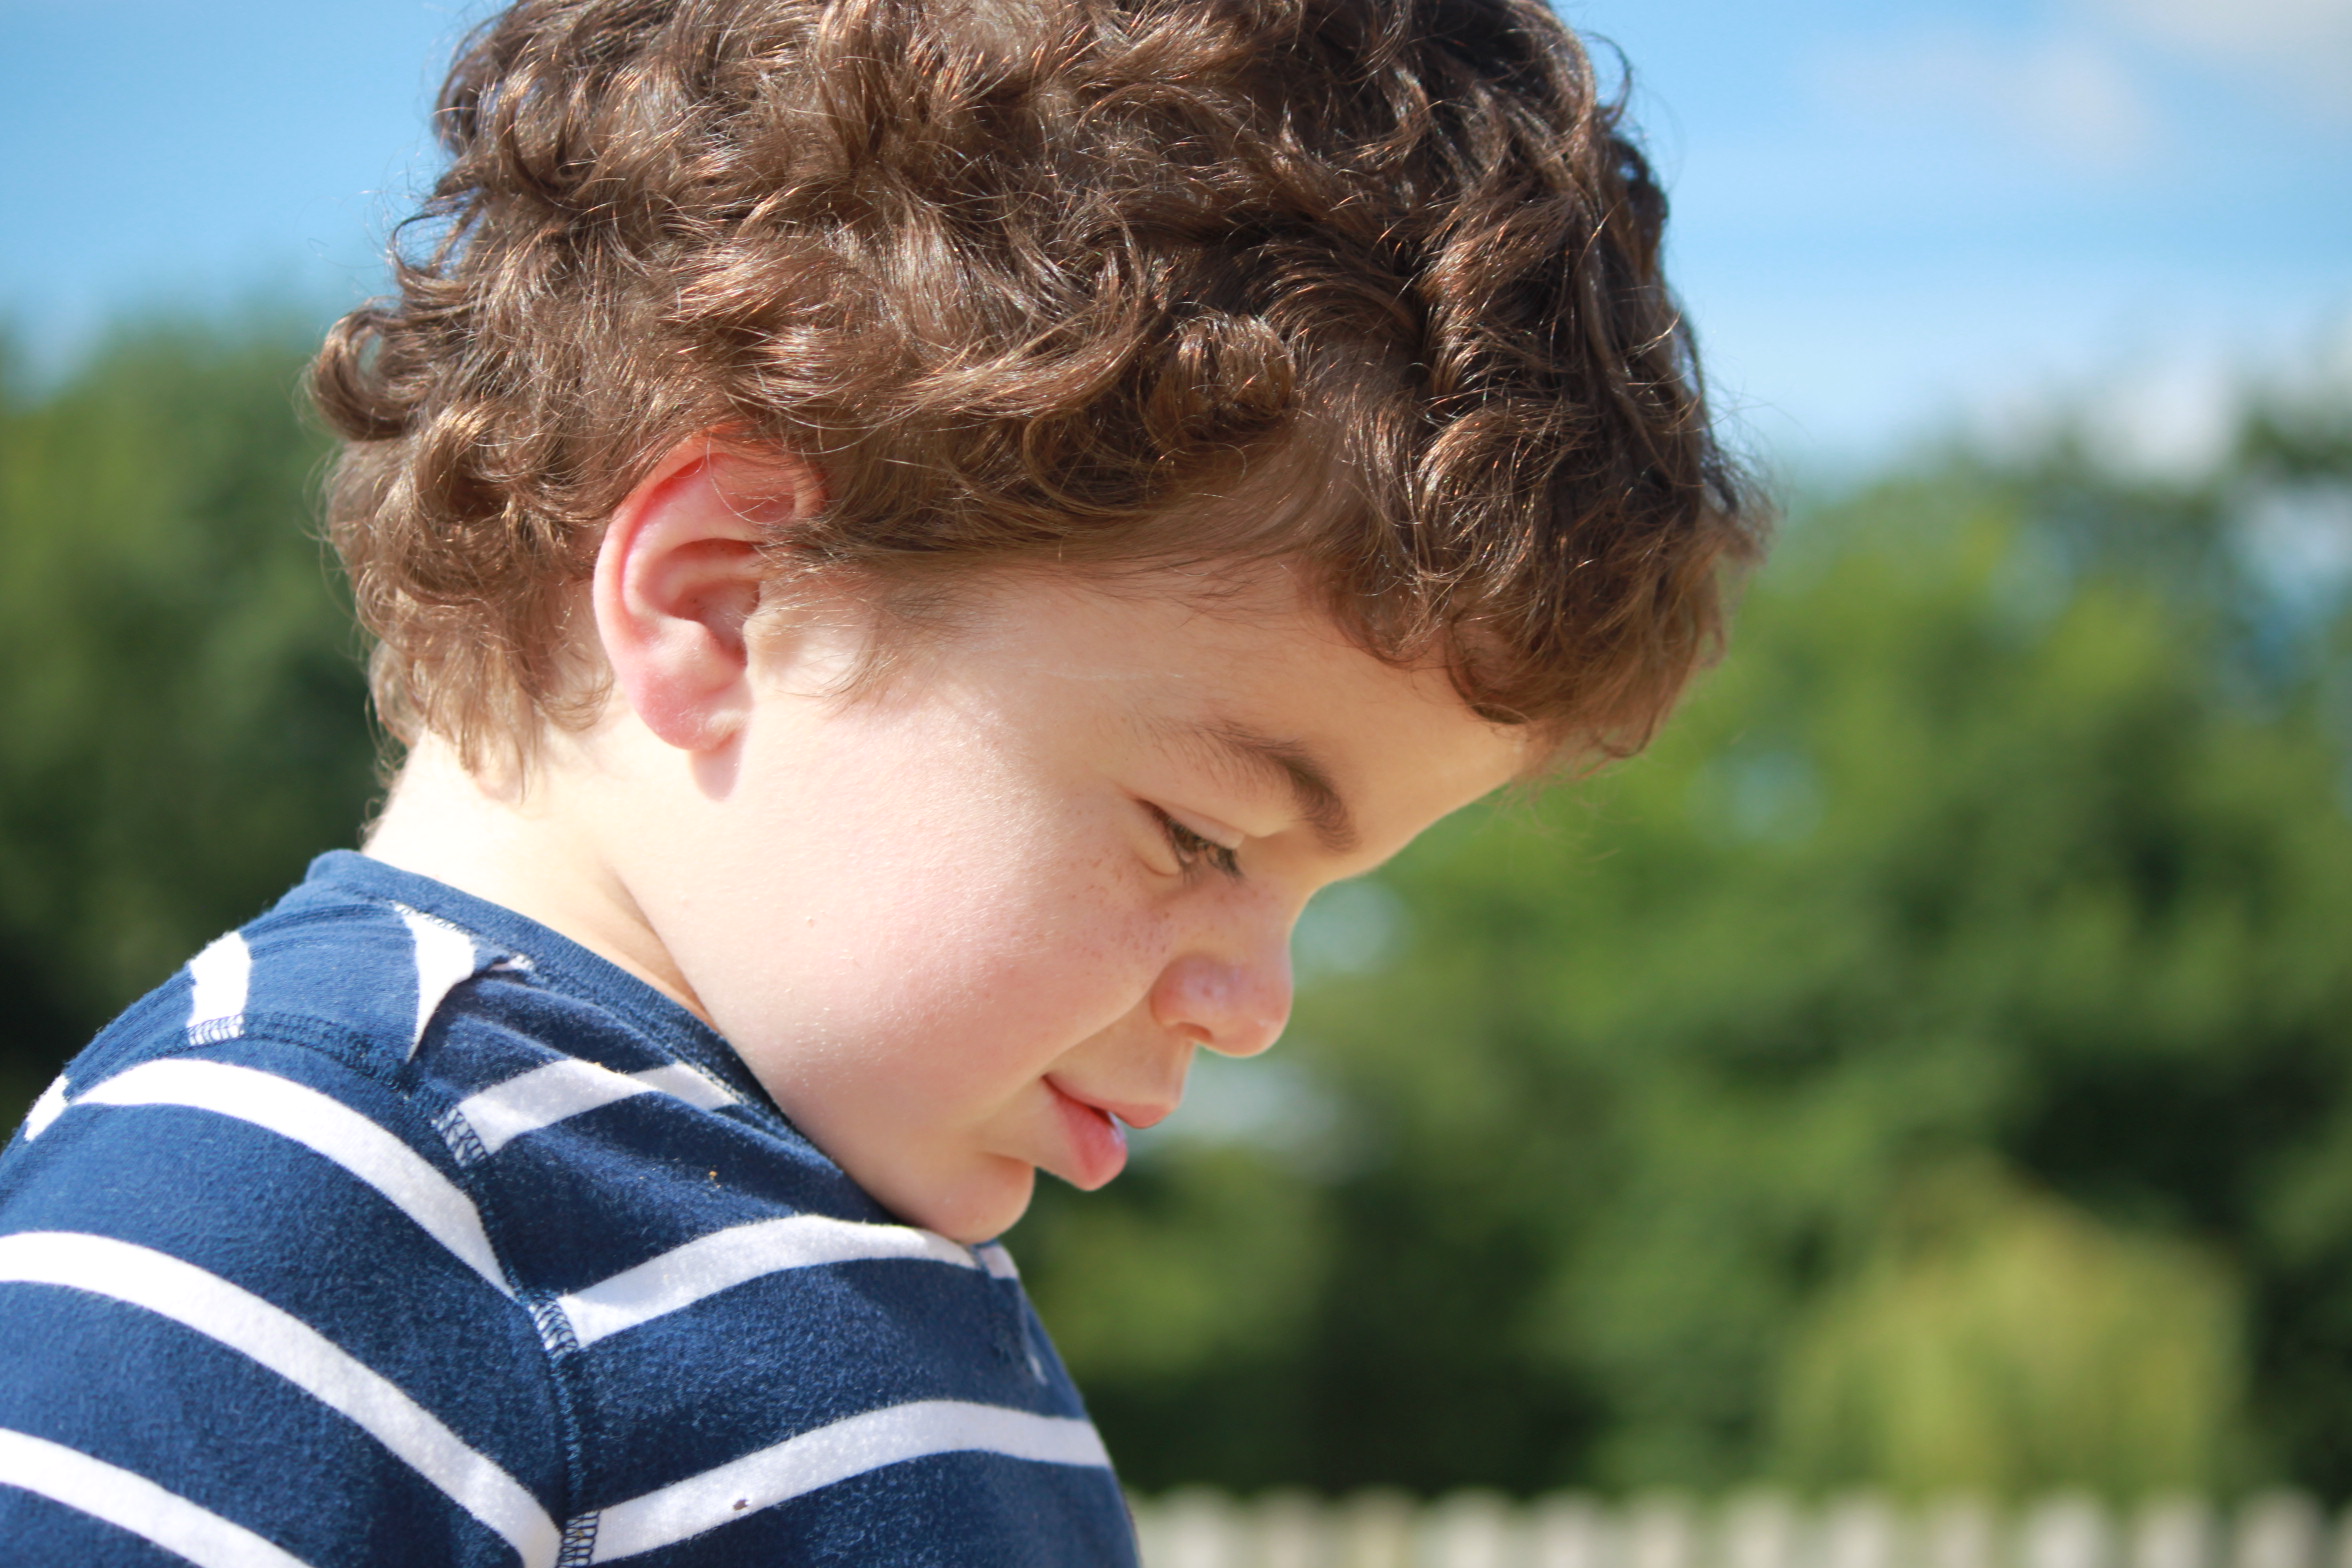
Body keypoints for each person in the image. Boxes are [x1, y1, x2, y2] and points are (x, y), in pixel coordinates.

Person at [0, 0, 1761, 1560]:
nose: (1260, 1011)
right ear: (724, 601)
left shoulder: (819, 1223)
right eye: (1204, 837)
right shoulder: (293, 1196)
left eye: (1322, 895)